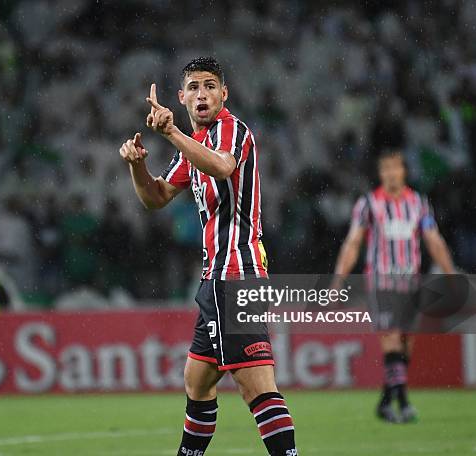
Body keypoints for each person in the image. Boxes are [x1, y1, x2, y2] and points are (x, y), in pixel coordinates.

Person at [119, 57, 297, 456]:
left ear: (224, 94)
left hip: (236, 273)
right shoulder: (193, 145)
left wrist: (172, 133)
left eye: (210, 86)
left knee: (256, 385)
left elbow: (221, 167)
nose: (202, 93)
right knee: (197, 380)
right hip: (215, 278)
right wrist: (138, 167)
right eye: (194, 87)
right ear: (181, 97)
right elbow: (157, 197)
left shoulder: (231, 129)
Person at [333, 149, 455, 423]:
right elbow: (353, 243)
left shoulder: (419, 203)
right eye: (385, 168)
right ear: (380, 173)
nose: (390, 173)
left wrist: (450, 274)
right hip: (380, 281)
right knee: (390, 339)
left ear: (403, 171)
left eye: (395, 168)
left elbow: (433, 240)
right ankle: (405, 403)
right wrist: (339, 280)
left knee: (405, 345)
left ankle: (386, 402)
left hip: (410, 282)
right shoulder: (368, 204)